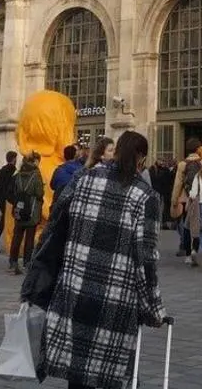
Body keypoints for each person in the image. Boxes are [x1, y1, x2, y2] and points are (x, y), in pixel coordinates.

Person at [32, 129, 169, 388]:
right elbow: (146, 259)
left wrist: (40, 280)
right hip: (115, 300)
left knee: (78, 373)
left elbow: (55, 229)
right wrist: (153, 308)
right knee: (110, 372)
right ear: (141, 158)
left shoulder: (84, 178)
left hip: (75, 289)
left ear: (115, 152)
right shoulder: (145, 196)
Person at [8, 151, 44, 275]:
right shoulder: (36, 174)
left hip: (19, 208)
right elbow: (39, 192)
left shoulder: (19, 174)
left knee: (17, 236)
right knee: (29, 237)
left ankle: (13, 261)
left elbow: (14, 189)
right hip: (31, 210)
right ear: (34, 161)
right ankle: (27, 262)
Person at [170, 138, 202, 257]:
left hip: (185, 198)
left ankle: (186, 248)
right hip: (199, 197)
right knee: (197, 221)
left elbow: (178, 184)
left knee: (186, 224)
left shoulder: (182, 164)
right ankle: (196, 246)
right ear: (198, 149)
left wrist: (174, 199)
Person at [0, 151, 18, 253]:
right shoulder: (14, 171)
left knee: (4, 221)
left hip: (1, 199)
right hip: (10, 199)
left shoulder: (0, 171)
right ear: (14, 159)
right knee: (5, 222)